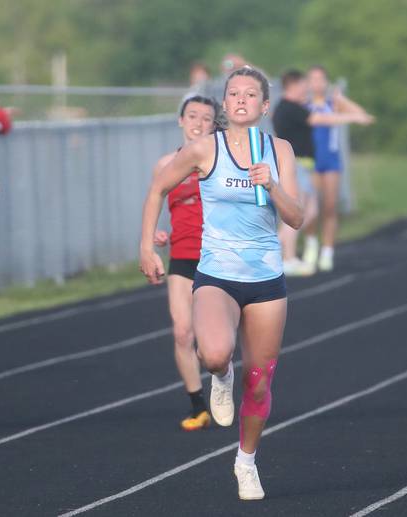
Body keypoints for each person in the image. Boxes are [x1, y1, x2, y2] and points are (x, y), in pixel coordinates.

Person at [140, 66, 303, 500]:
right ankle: (219, 376)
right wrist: (145, 246)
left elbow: (297, 217)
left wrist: (272, 186)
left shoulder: (279, 149)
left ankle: (245, 462)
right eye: (234, 93)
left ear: (265, 106)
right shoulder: (203, 149)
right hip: (217, 274)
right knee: (213, 353)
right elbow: (158, 187)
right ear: (225, 104)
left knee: (261, 380)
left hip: (266, 277)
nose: (242, 99)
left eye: (251, 94)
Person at [151, 95, 219, 431]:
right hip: (182, 255)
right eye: (192, 116)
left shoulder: (221, 160)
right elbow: (161, 204)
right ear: (180, 121)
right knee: (181, 332)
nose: (198, 123)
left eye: (206, 118)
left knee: (210, 350)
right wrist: (158, 236)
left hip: (217, 258)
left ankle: (220, 374)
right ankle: (198, 406)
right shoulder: (166, 164)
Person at [272, 69, 372, 276]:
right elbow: (320, 120)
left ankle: (280, 246)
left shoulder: (292, 107)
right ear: (293, 85)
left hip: (305, 165)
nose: (306, 89)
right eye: (303, 85)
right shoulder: (289, 108)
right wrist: (352, 118)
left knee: (311, 212)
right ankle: (287, 257)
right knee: (296, 212)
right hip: (296, 165)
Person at [303, 65, 375, 271]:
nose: (317, 84)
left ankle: (327, 250)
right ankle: (310, 244)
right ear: (308, 83)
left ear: (326, 82)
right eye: (313, 79)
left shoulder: (332, 104)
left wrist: (342, 100)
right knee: (311, 207)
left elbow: (361, 115)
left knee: (330, 206)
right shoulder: (304, 105)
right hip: (311, 160)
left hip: (331, 160)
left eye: (320, 79)